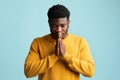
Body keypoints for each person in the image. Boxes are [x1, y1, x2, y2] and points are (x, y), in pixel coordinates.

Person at [24, 4, 95, 80]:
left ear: (68, 23)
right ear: (49, 23)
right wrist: (54, 56)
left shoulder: (80, 42)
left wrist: (65, 56)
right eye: (54, 25)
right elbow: (28, 71)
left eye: (62, 25)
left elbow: (90, 71)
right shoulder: (37, 43)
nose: (59, 30)